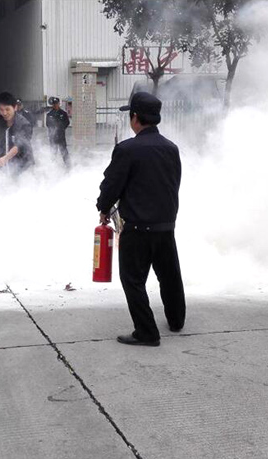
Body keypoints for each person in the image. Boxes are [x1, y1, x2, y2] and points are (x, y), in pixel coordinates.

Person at [96, 92, 186, 347]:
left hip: (136, 228)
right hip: (166, 226)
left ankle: (147, 332)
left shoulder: (127, 149)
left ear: (135, 117)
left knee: (133, 280)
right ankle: (176, 320)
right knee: (169, 276)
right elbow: (174, 183)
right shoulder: (171, 148)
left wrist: (103, 207)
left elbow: (111, 184)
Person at [0, 92, 34, 173]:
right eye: (1, 110)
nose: (4, 113)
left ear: (15, 107)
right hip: (4, 165)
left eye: (7, 109)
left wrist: (6, 158)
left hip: (23, 166)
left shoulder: (24, 124)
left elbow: (19, 145)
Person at [46, 97, 71, 165]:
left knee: (64, 151)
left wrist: (61, 128)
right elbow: (47, 124)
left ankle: (68, 165)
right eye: (54, 104)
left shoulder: (63, 113)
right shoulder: (49, 114)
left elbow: (67, 122)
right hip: (52, 137)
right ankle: (53, 166)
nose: (55, 105)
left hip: (61, 136)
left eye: (56, 103)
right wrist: (53, 128)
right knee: (53, 152)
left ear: (59, 104)